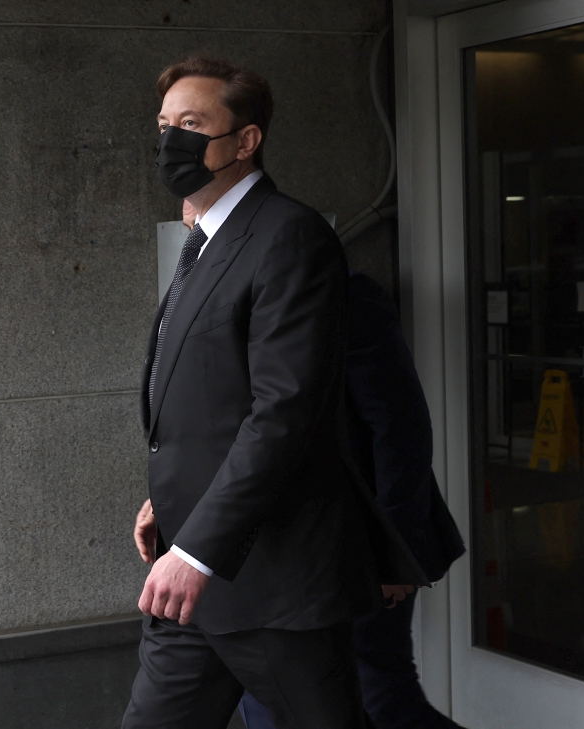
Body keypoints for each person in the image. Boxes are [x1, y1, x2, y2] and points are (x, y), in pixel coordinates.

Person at [124, 56, 424, 729]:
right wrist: (173, 495)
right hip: (195, 581)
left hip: (273, 585)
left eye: (191, 124)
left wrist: (196, 549)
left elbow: (283, 412)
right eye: (164, 125)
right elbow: (213, 401)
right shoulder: (207, 240)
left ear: (246, 139)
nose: (171, 141)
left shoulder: (288, 236)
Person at [234, 272, 467, 729]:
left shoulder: (344, 295)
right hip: (265, 554)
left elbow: (400, 428)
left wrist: (392, 554)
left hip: (355, 549)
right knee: (269, 702)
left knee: (382, 700)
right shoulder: (217, 292)